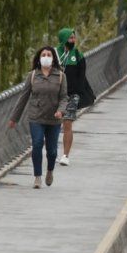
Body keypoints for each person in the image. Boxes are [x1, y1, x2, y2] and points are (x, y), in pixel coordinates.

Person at [9, 47, 69, 186]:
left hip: (54, 119)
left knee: (52, 151)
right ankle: (37, 176)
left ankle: (50, 170)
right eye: (43, 55)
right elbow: (23, 98)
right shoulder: (32, 76)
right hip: (36, 117)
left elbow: (64, 97)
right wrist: (14, 118)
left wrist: (61, 111)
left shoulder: (60, 76)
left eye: (49, 55)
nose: (46, 57)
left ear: (53, 58)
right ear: (39, 58)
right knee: (36, 144)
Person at [56, 28, 95, 166]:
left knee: (67, 123)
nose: (72, 40)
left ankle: (66, 155)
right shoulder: (54, 54)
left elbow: (81, 76)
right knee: (54, 125)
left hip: (72, 95)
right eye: (70, 38)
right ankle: (53, 152)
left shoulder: (78, 55)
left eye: (74, 38)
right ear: (63, 39)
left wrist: (77, 94)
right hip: (55, 96)